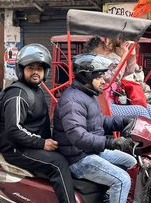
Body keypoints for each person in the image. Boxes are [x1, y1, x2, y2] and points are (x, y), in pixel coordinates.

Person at [0, 43, 77, 203]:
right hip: (17, 149)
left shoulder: (35, 90)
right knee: (59, 164)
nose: (35, 72)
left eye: (39, 69)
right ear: (21, 70)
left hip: (30, 145)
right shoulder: (17, 94)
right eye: (30, 68)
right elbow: (14, 129)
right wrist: (42, 143)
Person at [53, 53, 137, 203]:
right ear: (86, 77)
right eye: (98, 77)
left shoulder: (87, 95)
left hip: (91, 151)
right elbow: (78, 136)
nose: (103, 81)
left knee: (131, 162)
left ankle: (109, 196)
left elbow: (99, 121)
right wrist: (111, 142)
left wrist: (123, 121)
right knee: (123, 180)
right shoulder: (72, 101)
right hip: (78, 158)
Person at [83, 36, 151, 118]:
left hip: (115, 100)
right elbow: (114, 77)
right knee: (141, 111)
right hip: (104, 106)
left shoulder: (105, 63)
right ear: (95, 51)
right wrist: (124, 56)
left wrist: (131, 54)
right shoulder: (93, 66)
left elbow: (128, 71)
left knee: (149, 109)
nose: (107, 52)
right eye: (104, 49)